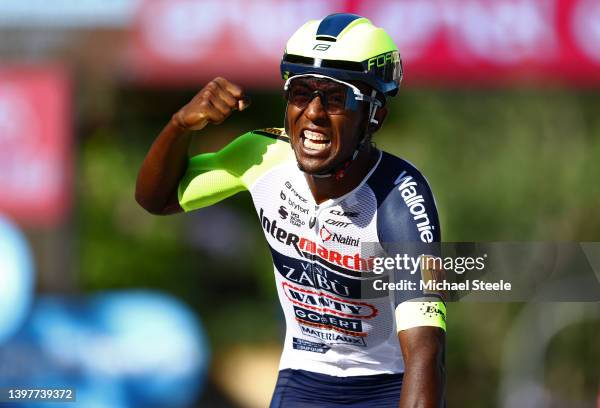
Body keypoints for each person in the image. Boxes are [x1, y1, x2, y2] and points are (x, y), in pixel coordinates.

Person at [136, 13, 446, 408]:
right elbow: (156, 199)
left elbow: (426, 352)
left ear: (374, 116)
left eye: (336, 98)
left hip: (386, 388)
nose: (313, 113)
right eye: (301, 93)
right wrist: (180, 124)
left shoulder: (400, 197)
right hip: (304, 378)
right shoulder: (260, 156)